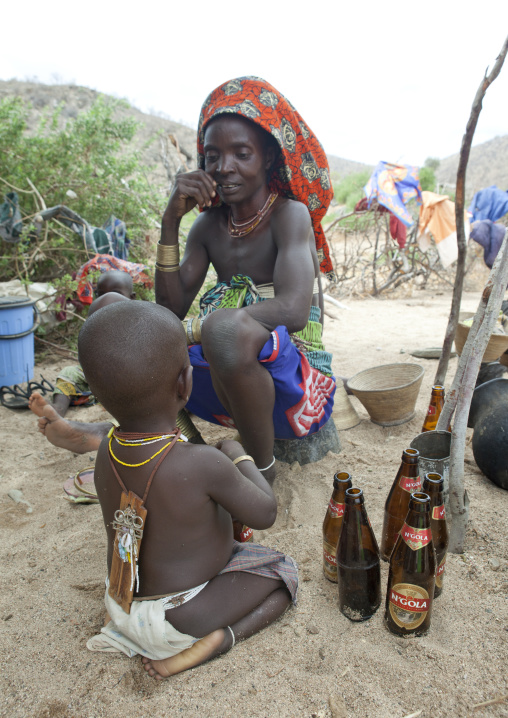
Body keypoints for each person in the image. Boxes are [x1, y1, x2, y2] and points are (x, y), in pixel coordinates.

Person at [31, 77, 337, 481]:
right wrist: (171, 219)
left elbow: (295, 309)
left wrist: (198, 330)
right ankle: (165, 444)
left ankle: (262, 475)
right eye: (213, 155)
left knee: (226, 329)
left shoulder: (288, 215)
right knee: (111, 311)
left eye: (241, 153)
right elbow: (168, 309)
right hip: (221, 379)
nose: (224, 167)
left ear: (267, 158)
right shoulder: (208, 226)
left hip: (292, 388)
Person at [81, 300, 297, 679]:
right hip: (180, 618)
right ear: (185, 382)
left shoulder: (105, 451)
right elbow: (265, 513)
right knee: (283, 572)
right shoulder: (202, 463)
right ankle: (215, 642)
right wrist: (238, 455)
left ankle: (129, 629)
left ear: (99, 394)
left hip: (121, 601)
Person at [51, 272, 135, 417]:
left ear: (131, 298)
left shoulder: (138, 319)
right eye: (101, 294)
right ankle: (56, 410)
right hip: (98, 378)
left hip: (130, 377)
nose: (107, 298)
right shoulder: (95, 318)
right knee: (69, 373)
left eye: (115, 293)